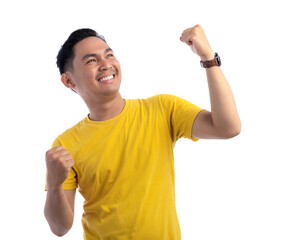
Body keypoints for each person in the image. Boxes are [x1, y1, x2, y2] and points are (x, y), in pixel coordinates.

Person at [44, 25, 241, 239]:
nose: (105, 64)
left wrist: (208, 57)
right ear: (68, 80)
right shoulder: (65, 144)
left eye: (109, 55)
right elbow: (60, 228)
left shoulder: (162, 109)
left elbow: (228, 127)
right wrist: (54, 184)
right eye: (91, 60)